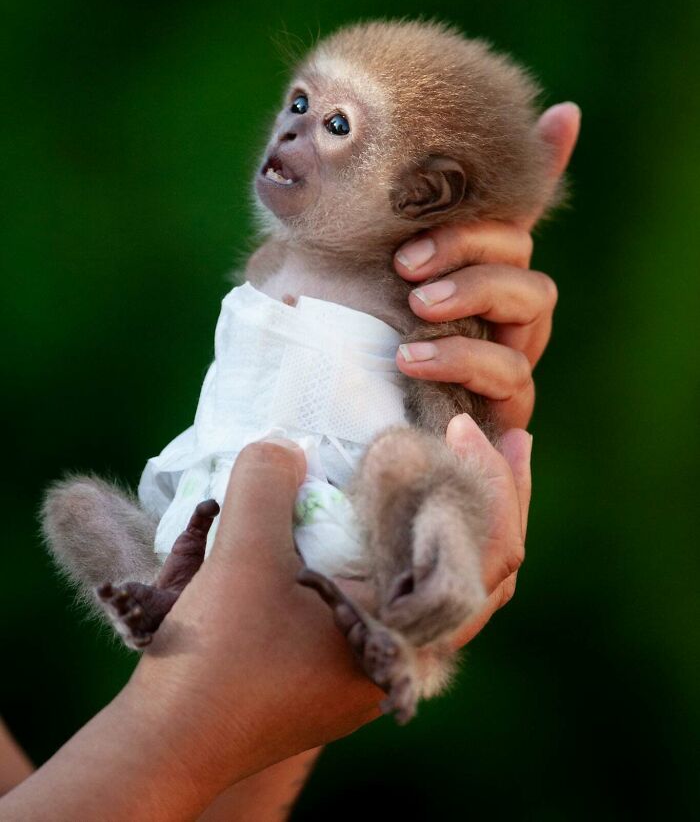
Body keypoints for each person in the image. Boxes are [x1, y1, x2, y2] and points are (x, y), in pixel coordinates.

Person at [0, 105, 580, 822]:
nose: (288, 128)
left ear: (425, 191)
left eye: (333, 123)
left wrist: (245, 683)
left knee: (410, 464)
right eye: (299, 104)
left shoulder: (348, 283)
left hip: (321, 528)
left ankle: (402, 634)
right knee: (77, 508)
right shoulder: (274, 272)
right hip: (210, 530)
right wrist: (198, 707)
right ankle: (177, 605)